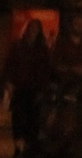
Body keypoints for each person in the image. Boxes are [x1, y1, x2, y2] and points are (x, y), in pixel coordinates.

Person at [6, 19, 53, 150]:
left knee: (33, 119)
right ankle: (19, 146)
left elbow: (46, 70)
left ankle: (29, 147)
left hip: (35, 88)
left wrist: (43, 88)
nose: (33, 31)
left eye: (36, 28)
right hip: (20, 87)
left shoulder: (42, 49)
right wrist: (9, 83)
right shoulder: (18, 46)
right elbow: (10, 65)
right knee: (18, 118)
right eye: (31, 28)